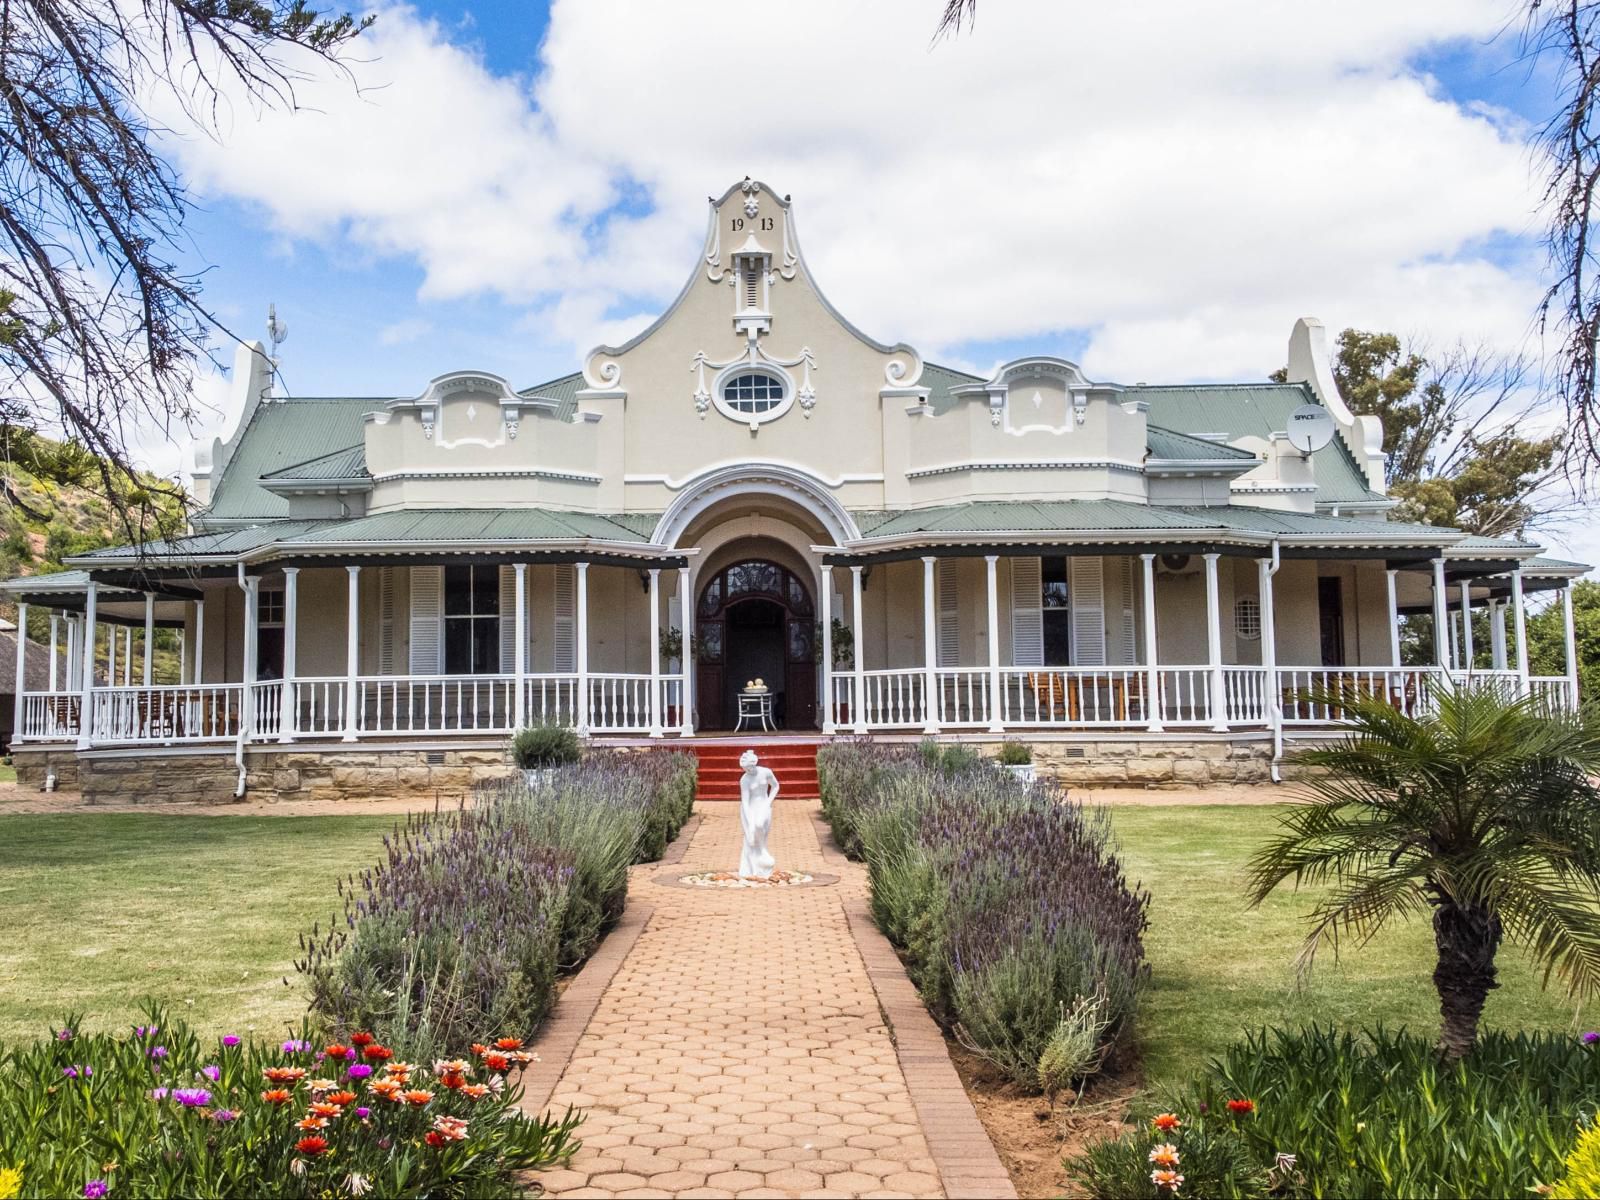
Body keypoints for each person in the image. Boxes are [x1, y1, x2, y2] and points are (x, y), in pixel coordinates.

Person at [738, 749, 780, 879]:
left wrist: (768, 802)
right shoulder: (744, 780)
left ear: (754, 764)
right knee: (751, 835)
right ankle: (751, 867)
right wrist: (749, 821)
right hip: (750, 807)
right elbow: (745, 802)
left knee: (759, 825)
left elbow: (776, 786)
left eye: (749, 768)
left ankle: (762, 850)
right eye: (745, 769)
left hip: (764, 804)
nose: (747, 771)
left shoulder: (766, 772)